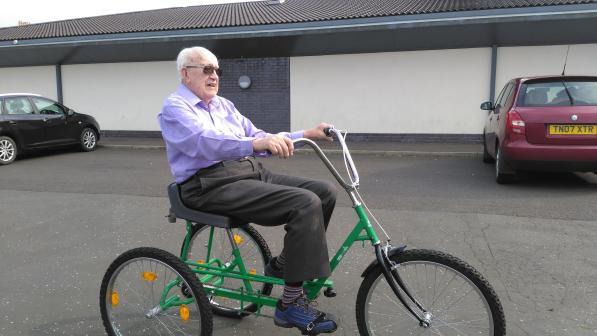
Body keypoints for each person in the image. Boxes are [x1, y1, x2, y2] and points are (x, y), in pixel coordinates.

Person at [158, 46, 338, 334]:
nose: (214, 75)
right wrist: (255, 145)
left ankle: (282, 266)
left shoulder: (223, 105)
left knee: (325, 191)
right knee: (305, 203)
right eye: (206, 69)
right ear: (185, 73)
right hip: (208, 185)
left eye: (217, 70)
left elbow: (256, 136)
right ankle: (289, 305)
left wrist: (305, 134)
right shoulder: (175, 108)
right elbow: (206, 141)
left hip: (246, 170)